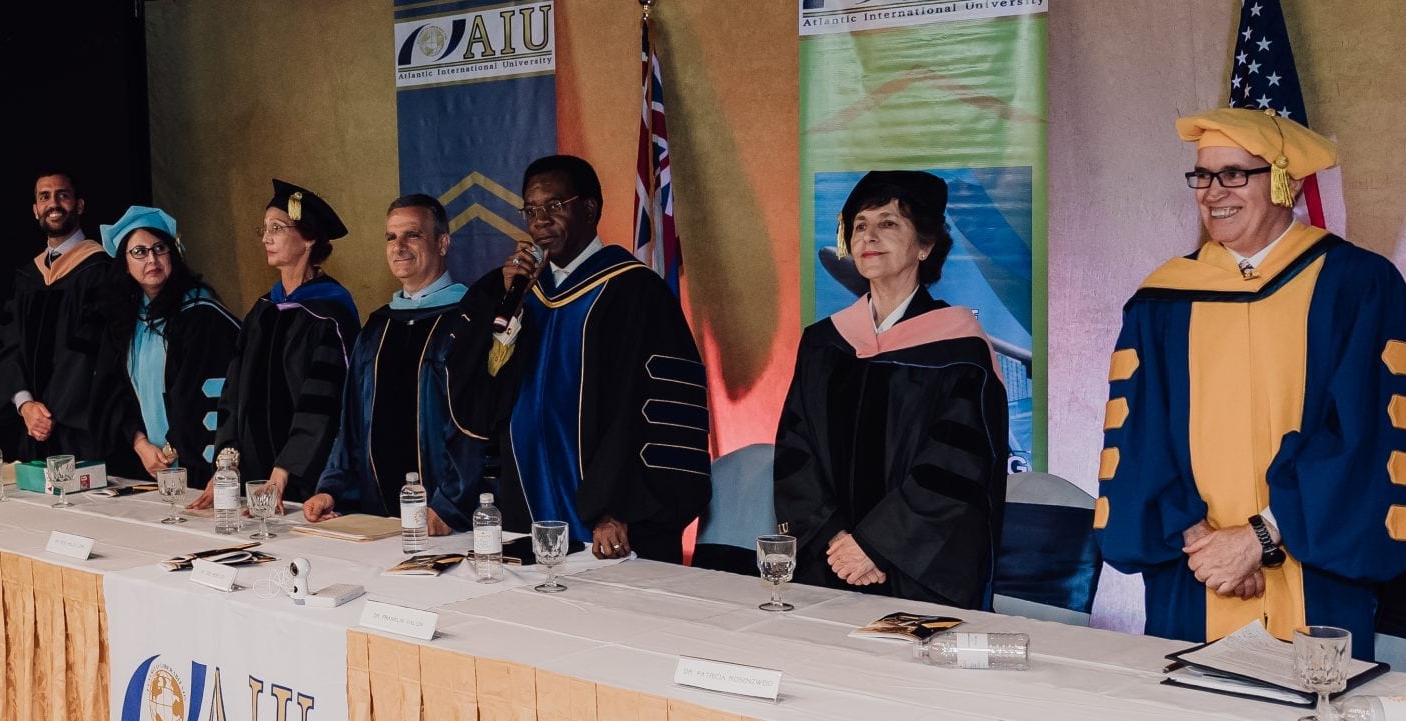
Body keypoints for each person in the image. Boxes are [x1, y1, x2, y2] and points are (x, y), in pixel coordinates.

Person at [1097, 107, 1406, 655]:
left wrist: (1260, 536)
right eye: (1203, 175)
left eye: (1235, 174)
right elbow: (1139, 436)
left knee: (1315, 700)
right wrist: (1200, 542)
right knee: (1187, 702)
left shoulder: (1356, 285)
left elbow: (1370, 433)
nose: (1214, 192)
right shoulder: (1163, 298)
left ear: (1286, 182)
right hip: (1194, 571)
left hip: (1317, 566)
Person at [451, 154, 710, 563]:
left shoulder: (635, 292)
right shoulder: (518, 291)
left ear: (589, 208)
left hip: (610, 520)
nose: (540, 220)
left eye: (554, 206)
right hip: (525, 503)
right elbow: (483, 399)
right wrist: (507, 310)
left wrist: (618, 507)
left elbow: (654, 415)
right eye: (531, 210)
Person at [773, 171, 1010, 608]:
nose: (869, 236)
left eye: (888, 223)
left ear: (924, 245)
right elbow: (795, 449)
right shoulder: (824, 342)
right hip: (828, 562)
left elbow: (955, 467)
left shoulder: (958, 349)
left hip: (915, 573)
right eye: (859, 225)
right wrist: (834, 538)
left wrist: (875, 545)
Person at [304, 195, 486, 532]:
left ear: (442, 243)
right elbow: (352, 422)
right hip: (380, 517)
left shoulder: (469, 321)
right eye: (391, 237)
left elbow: (476, 428)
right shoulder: (377, 327)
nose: (398, 247)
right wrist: (333, 489)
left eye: (412, 235)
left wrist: (449, 507)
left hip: (445, 521)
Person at [198, 179, 360, 508]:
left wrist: (284, 471)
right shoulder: (263, 310)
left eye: (277, 228)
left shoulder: (330, 314)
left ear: (309, 238)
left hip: (306, 484)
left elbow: (323, 407)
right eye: (264, 228)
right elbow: (233, 393)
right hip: (255, 478)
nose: (265, 238)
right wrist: (227, 464)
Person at [0, 171, 133, 464]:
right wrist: (26, 406)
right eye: (45, 197)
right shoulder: (28, 277)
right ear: (35, 209)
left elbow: (93, 353)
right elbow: (7, 347)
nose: (53, 204)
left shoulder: (101, 270)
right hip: (34, 431)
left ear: (79, 205)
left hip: (85, 431)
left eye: (62, 195)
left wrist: (51, 414)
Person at [98, 205, 240, 488]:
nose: (152, 259)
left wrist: (168, 452)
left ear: (173, 254)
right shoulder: (127, 321)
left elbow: (198, 398)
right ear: (125, 263)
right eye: (139, 252)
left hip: (200, 468)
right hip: (150, 465)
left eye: (160, 248)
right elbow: (115, 391)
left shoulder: (200, 312)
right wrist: (140, 443)